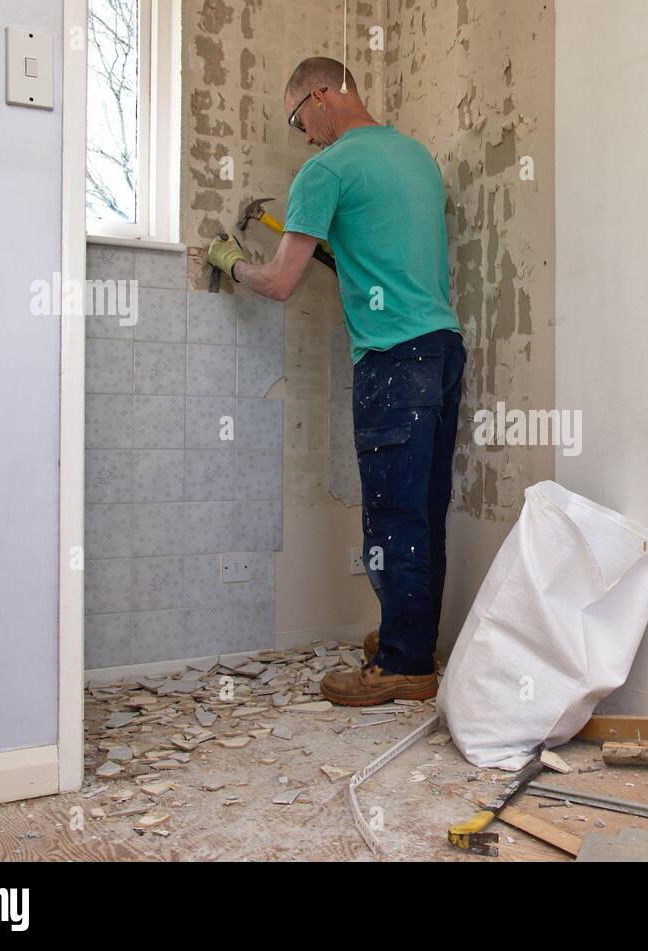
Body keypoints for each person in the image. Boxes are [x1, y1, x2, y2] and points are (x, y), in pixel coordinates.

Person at [207, 57, 464, 705]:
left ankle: (405, 666)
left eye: (299, 120)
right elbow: (386, 254)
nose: (303, 137)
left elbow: (280, 282)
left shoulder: (326, 171)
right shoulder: (415, 158)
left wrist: (231, 261)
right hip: (442, 348)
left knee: (391, 514)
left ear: (321, 96)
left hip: (390, 358)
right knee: (424, 508)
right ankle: (412, 636)